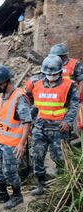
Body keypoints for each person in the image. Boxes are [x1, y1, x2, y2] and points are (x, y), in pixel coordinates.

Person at [30, 55, 79, 196]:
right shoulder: (37, 84)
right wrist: (30, 122)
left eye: (54, 74)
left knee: (59, 157)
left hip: (59, 127)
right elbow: (35, 106)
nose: (51, 77)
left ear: (60, 72)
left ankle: (63, 183)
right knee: (37, 155)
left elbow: (74, 105)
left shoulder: (69, 85)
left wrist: (68, 122)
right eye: (48, 74)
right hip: (40, 127)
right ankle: (40, 184)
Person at [0, 65, 31, 209]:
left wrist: (22, 144)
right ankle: (2, 193)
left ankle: (17, 195)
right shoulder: (2, 95)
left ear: (5, 82)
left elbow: (27, 122)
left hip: (13, 143)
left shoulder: (19, 98)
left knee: (10, 171)